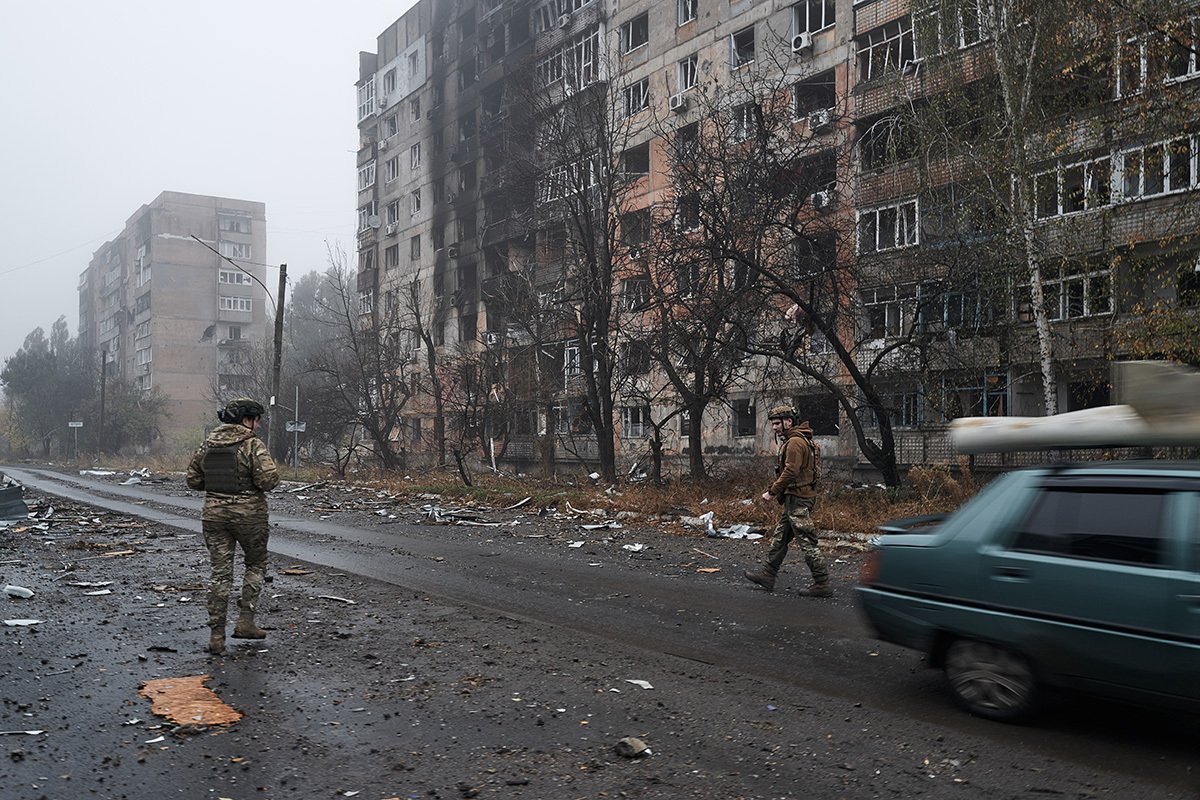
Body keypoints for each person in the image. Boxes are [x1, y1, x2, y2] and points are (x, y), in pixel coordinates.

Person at [186, 397, 281, 654]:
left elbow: (193, 480)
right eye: (256, 420)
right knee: (255, 564)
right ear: (246, 420)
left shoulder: (207, 445)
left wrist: (218, 487)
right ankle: (245, 622)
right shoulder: (252, 445)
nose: (258, 426)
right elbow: (268, 480)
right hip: (250, 515)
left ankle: (216, 637)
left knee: (220, 573)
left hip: (214, 516)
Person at [743, 404, 831, 597]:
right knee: (780, 538)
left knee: (807, 542)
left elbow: (791, 471)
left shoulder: (794, 443)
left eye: (777, 423)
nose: (774, 428)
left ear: (789, 422)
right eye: (773, 424)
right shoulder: (798, 440)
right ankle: (768, 575)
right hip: (795, 499)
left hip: (799, 499)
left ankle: (822, 583)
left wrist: (772, 492)